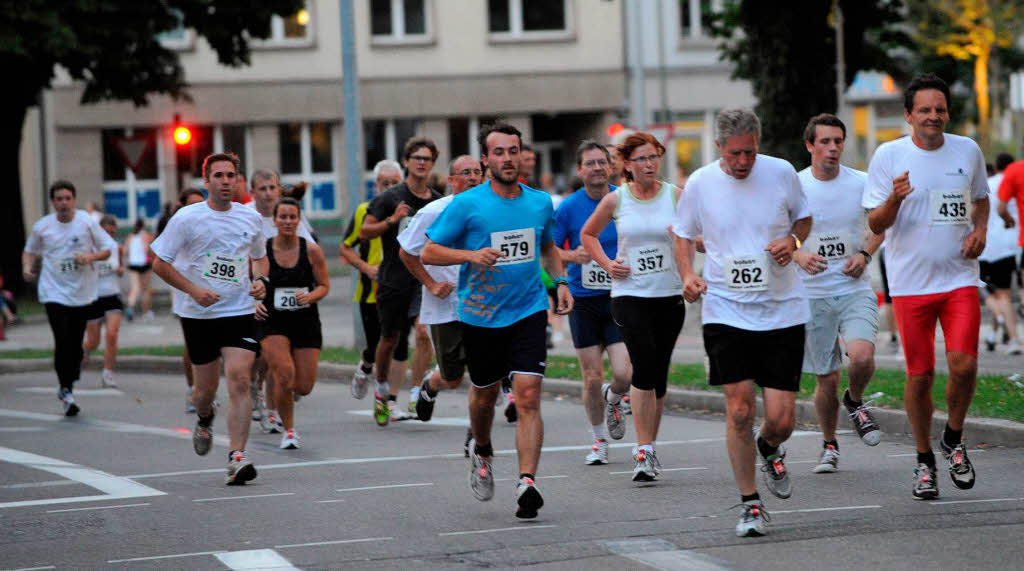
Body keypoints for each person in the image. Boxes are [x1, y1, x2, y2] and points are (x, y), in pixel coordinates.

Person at [423, 123, 572, 519]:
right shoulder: (467, 204)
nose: (508, 158)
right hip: (481, 315)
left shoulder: (540, 203)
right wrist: (470, 256)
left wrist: (559, 281)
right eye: (500, 152)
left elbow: (549, 247)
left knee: (527, 395)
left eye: (514, 151)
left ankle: (527, 482)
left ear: (522, 155)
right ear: (486, 160)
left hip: (527, 311)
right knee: (484, 397)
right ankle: (484, 449)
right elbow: (430, 251)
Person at [674, 108, 812, 537]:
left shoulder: (782, 172)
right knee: (738, 409)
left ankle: (768, 446)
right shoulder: (699, 183)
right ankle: (750, 504)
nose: (742, 162)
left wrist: (792, 240)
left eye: (750, 153)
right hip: (726, 310)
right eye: (734, 154)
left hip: (782, 308)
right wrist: (687, 275)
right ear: (719, 148)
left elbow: (804, 219)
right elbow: (681, 234)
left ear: (759, 144)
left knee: (782, 418)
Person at [864, 74, 988, 501]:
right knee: (920, 376)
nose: (933, 116)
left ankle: (953, 437)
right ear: (908, 116)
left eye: (939, 109)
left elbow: (981, 198)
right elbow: (875, 224)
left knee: (964, 365)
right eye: (924, 110)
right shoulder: (888, 155)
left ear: (947, 113)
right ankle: (924, 461)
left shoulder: (967, 150)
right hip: (911, 283)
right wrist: (895, 199)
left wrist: (982, 232)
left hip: (959, 278)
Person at [151, 152, 269, 485]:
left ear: (237, 179)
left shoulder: (250, 218)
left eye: (230, 175)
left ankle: (237, 457)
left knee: (240, 379)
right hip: (198, 314)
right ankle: (205, 417)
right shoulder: (187, 218)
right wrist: (193, 290)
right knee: (203, 392)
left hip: (238, 310)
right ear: (206, 181)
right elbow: (159, 263)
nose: (225, 181)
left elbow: (260, 259)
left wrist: (262, 281)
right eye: (218, 176)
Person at [582, 132, 683, 480]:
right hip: (629, 295)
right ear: (627, 164)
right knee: (642, 366)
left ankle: (648, 444)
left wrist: (684, 238)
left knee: (659, 376)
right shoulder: (617, 199)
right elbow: (588, 235)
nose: (649, 164)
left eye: (654, 157)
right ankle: (644, 452)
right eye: (641, 158)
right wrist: (608, 264)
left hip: (669, 296)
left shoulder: (675, 195)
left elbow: (699, 239)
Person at [792, 114, 884, 475]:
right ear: (810, 145)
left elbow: (881, 224)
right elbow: (777, 234)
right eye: (825, 142)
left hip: (853, 286)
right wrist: (799, 254)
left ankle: (856, 399)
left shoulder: (861, 182)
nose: (833, 148)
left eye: (838, 141)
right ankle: (829, 444)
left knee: (860, 357)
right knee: (826, 379)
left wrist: (865, 254)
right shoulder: (795, 186)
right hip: (812, 292)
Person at [556, 140, 633, 465]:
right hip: (584, 301)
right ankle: (599, 440)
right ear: (580, 170)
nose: (597, 168)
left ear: (610, 166)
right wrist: (572, 256)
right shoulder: (568, 208)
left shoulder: (624, 199)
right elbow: (551, 250)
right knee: (590, 377)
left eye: (602, 162)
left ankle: (614, 397)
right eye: (590, 163)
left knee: (624, 373)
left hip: (618, 297)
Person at [360, 137, 442, 425]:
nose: (421, 162)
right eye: (416, 157)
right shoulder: (390, 196)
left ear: (433, 164)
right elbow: (365, 232)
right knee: (390, 339)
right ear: (407, 161)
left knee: (422, 332)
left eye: (427, 158)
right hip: (394, 279)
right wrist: (392, 221)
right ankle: (382, 389)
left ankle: (417, 392)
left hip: (424, 278)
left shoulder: (436, 200)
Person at [399, 155, 483, 426]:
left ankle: (478, 430)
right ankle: (430, 386)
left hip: (483, 301)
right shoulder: (433, 212)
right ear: (451, 180)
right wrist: (431, 284)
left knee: (485, 368)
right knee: (453, 376)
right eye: (465, 173)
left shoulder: (491, 209)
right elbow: (407, 253)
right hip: (445, 305)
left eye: (477, 172)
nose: (473, 177)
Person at [23, 180, 117, 415]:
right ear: (53, 202)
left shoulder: (87, 222)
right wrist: (27, 267)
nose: (63, 203)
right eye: (59, 199)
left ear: (73, 200)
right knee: (62, 339)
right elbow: (30, 251)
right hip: (53, 291)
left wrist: (90, 257)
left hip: (81, 292)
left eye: (67, 198)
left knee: (75, 344)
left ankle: (70, 380)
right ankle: (65, 389)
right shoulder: (42, 227)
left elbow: (108, 249)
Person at [255, 198, 329, 449]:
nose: (287, 221)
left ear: (299, 220)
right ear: (274, 221)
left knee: (304, 387)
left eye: (292, 217)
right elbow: (249, 283)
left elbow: (324, 286)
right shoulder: (262, 250)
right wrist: (253, 303)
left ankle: (281, 401)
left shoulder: (311, 250)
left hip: (305, 320)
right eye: (283, 217)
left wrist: (310, 296)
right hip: (273, 320)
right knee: (285, 375)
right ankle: (289, 430)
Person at [247, 169, 317, 433]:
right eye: (262, 189)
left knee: (276, 360)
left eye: (272, 188)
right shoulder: (246, 217)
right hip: (257, 294)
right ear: (253, 192)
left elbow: (309, 250)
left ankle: (271, 407)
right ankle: (260, 393)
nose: (268, 194)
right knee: (265, 357)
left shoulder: (290, 216)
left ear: (279, 190)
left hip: (289, 300)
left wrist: (312, 289)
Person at [341, 160, 406, 404]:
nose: (389, 187)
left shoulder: (407, 211)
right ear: (376, 186)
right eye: (384, 183)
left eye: (394, 183)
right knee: (375, 344)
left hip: (400, 287)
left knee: (398, 344)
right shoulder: (363, 212)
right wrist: (366, 268)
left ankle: (389, 400)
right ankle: (365, 366)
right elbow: (345, 248)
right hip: (371, 292)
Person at [169, 188, 206, 413]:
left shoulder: (209, 222)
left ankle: (205, 390)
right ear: (181, 205)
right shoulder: (177, 224)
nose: (197, 208)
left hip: (208, 287)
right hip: (185, 289)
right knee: (192, 343)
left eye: (200, 203)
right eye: (192, 203)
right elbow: (161, 258)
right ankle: (192, 388)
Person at [980, 153, 1020, 354]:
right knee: (1003, 293)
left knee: (987, 291)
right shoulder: (1016, 180)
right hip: (1010, 245)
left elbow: (976, 211)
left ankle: (1004, 323)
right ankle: (1001, 337)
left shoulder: (990, 184)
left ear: (996, 166)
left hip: (986, 246)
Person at [82, 214, 125, 389]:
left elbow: (120, 267)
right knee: (94, 342)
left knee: (112, 334)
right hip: (93, 297)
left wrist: (120, 269)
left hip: (113, 295)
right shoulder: (90, 248)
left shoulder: (116, 247)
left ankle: (108, 373)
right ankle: (84, 350)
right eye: (105, 232)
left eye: (112, 232)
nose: (109, 235)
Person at [124, 219, 153, 321]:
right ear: (143, 226)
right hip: (144, 264)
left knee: (135, 287)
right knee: (145, 289)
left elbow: (125, 251)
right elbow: (146, 250)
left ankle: (130, 307)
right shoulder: (145, 235)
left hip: (133, 264)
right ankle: (146, 312)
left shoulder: (130, 237)